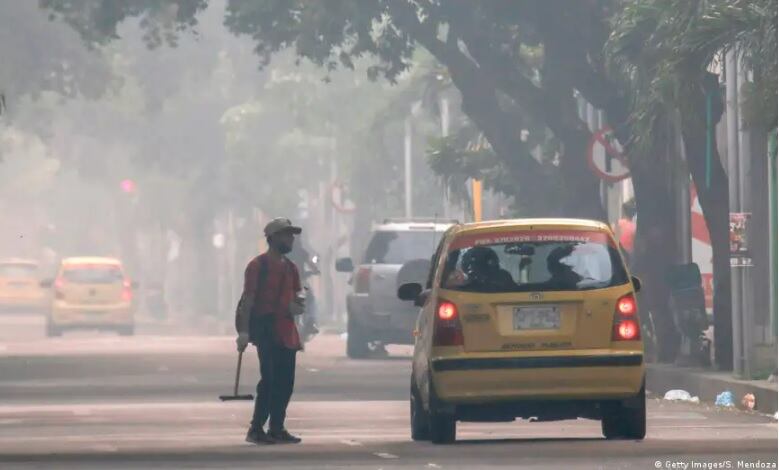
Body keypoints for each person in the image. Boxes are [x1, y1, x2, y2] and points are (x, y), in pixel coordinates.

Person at [235, 218, 305, 445]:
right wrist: (244, 332)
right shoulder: (258, 266)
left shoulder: (292, 268)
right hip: (267, 330)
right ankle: (256, 428)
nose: (290, 239)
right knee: (269, 380)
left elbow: (296, 298)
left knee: (286, 382)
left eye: (291, 235)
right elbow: (248, 300)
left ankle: (277, 427)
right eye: (286, 235)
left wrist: (297, 306)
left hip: (288, 332)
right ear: (272, 238)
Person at [614, 199, 637, 264]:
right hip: (630, 257)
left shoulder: (618, 224)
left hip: (619, 255)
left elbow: (615, 241)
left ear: (623, 212)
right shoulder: (634, 227)